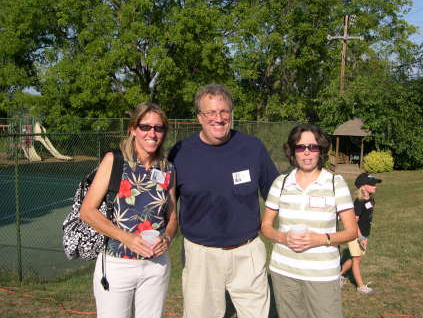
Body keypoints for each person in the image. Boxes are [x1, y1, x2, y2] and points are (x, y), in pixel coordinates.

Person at [168, 84, 279, 318]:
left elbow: (276, 194)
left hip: (247, 251)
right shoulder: (180, 152)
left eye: (224, 111)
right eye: (210, 112)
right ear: (199, 117)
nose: (218, 118)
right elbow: (166, 205)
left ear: (231, 113)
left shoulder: (252, 147)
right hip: (201, 256)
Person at [79, 102, 177, 318]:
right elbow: (87, 211)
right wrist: (127, 238)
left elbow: (172, 217)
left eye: (158, 128)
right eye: (145, 127)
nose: (152, 133)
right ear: (133, 129)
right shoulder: (114, 161)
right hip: (117, 264)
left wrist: (168, 239)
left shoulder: (167, 168)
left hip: (155, 266)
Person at [261, 124, 357, 318]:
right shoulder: (281, 183)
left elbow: (352, 231)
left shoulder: (334, 183)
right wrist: (283, 237)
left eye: (312, 147)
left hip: (322, 275)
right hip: (284, 272)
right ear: (293, 151)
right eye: (300, 147)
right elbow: (266, 226)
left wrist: (320, 239)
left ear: (320, 150)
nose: (306, 153)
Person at [340, 172, 382, 295]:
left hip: (363, 234)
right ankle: (360, 287)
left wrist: (365, 235)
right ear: (363, 186)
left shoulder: (371, 199)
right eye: (372, 184)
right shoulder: (359, 202)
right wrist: (361, 237)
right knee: (356, 259)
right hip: (355, 234)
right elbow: (353, 222)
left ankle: (339, 275)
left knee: (355, 259)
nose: (375, 186)